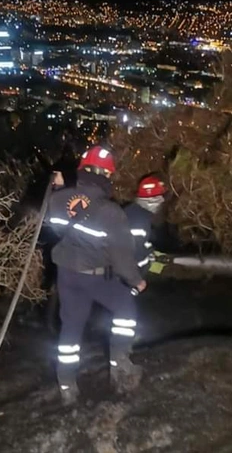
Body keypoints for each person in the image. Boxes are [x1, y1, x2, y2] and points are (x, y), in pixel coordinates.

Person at [46, 145, 147, 405]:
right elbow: (122, 256)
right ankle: (119, 364)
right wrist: (136, 280)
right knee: (125, 309)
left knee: (71, 328)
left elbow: (57, 230)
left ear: (81, 169)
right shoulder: (112, 213)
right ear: (107, 176)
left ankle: (67, 385)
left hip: (67, 275)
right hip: (96, 278)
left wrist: (58, 189)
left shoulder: (57, 199)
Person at [124, 176, 169, 276]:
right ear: (152, 202)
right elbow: (135, 258)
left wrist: (150, 252)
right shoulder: (140, 221)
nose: (161, 203)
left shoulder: (134, 212)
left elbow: (141, 242)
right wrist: (148, 262)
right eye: (159, 200)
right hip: (123, 277)